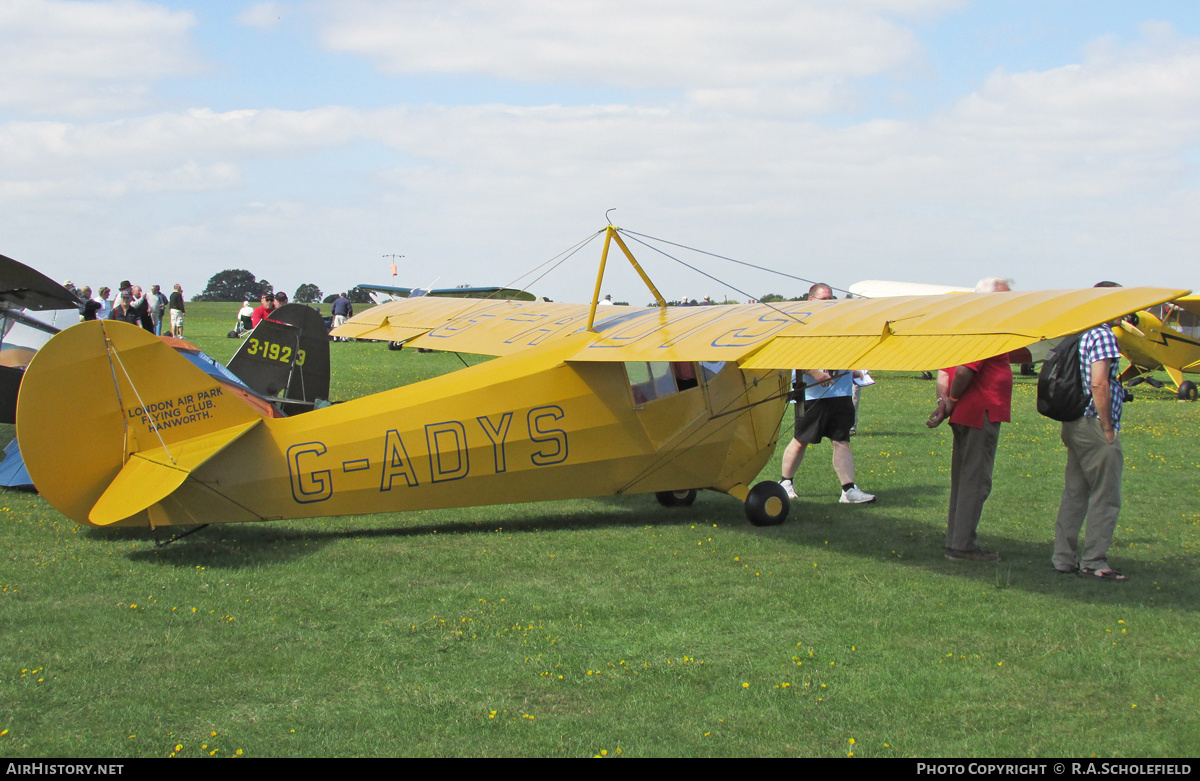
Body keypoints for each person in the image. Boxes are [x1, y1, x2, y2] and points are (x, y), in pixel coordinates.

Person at [926, 277, 1015, 562]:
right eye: (1004, 297)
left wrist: (945, 403)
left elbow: (944, 370)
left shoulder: (963, 325)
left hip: (966, 413)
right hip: (980, 413)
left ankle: (957, 540)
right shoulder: (986, 327)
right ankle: (962, 545)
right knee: (976, 481)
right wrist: (950, 401)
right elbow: (963, 371)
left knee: (963, 480)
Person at [1051, 282, 1128, 581]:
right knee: (1106, 496)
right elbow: (1100, 382)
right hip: (1093, 424)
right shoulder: (1103, 335)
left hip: (1073, 423)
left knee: (1075, 493)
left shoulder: (1079, 333)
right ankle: (1095, 561)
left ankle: (1063, 557)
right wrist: (1107, 426)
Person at [779, 283, 875, 504]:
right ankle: (785, 482)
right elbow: (791, 358)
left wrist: (855, 371)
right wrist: (816, 373)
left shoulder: (839, 324)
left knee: (841, 439)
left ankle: (848, 490)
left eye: (832, 298)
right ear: (811, 301)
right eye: (825, 299)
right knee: (800, 439)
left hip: (839, 391)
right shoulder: (800, 326)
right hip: (812, 393)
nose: (830, 302)